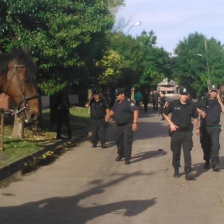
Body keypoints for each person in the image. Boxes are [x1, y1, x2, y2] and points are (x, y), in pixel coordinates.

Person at [163, 87, 200, 180]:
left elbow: (195, 117)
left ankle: (188, 171)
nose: (184, 96)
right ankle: (176, 169)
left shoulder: (191, 105)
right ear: (179, 95)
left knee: (187, 152)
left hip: (187, 132)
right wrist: (171, 124)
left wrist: (197, 128)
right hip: (176, 132)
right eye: (183, 94)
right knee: (176, 152)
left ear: (188, 95)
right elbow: (164, 113)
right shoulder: (174, 104)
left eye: (186, 94)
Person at [196, 85, 224, 171]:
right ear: (209, 92)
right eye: (212, 91)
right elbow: (193, 107)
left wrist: (220, 101)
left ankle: (215, 163)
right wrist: (200, 111)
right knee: (205, 145)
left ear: (217, 92)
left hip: (215, 125)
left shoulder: (219, 102)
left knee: (215, 145)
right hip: (205, 126)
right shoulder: (204, 101)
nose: (213, 93)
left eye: (215, 91)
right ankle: (207, 160)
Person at [109, 88, 139, 165]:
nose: (116, 97)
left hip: (127, 125)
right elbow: (112, 110)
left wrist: (135, 123)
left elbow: (135, 110)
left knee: (127, 141)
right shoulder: (116, 102)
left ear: (122, 95)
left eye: (117, 95)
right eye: (116, 95)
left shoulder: (129, 102)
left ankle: (127, 157)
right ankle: (120, 154)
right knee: (118, 140)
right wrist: (108, 115)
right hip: (118, 125)